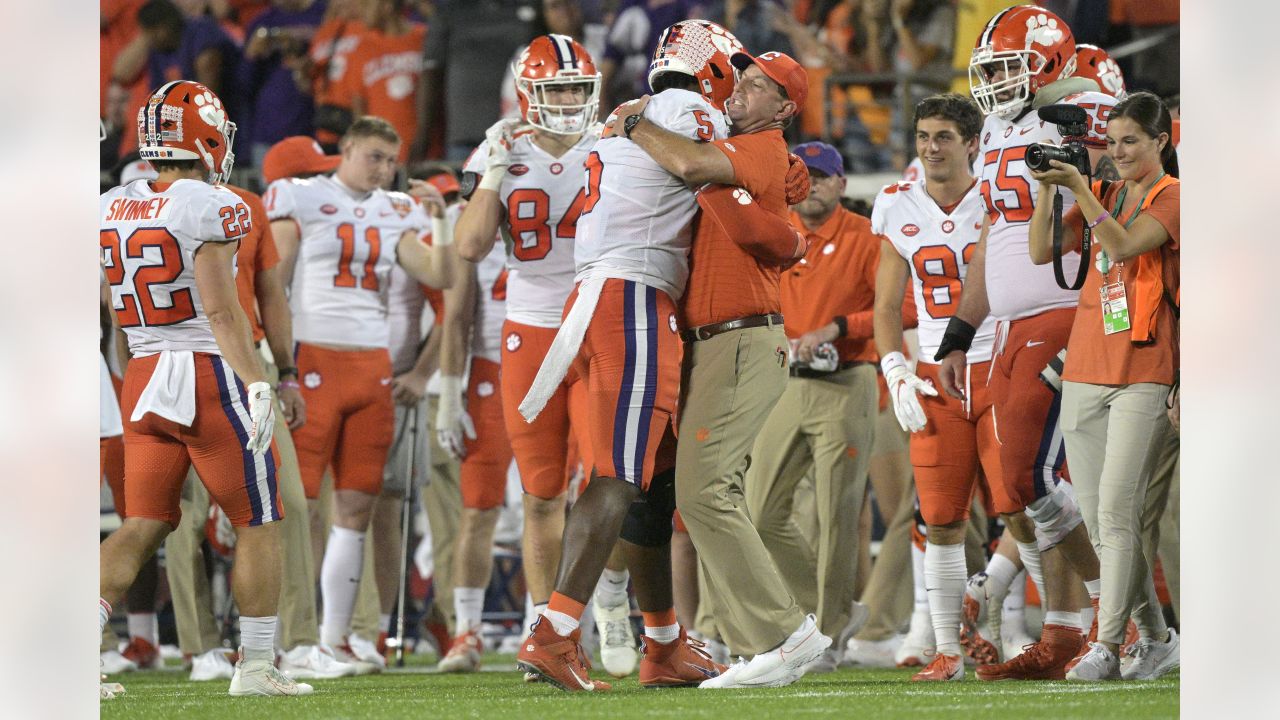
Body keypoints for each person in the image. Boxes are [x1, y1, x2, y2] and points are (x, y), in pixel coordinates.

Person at [512, 19, 787, 692]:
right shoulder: (685, 112)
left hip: (607, 290)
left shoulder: (643, 113)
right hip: (633, 297)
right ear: (714, 68)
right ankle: (555, 633)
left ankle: (663, 643)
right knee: (617, 475)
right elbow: (701, 167)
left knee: (647, 479)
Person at [612, 46, 834, 687]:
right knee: (704, 493)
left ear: (785, 109)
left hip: (739, 338)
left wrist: (631, 121)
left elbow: (687, 161)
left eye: (759, 86)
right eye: (741, 80)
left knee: (706, 491)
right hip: (716, 341)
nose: (739, 91)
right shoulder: (758, 155)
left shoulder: (758, 150)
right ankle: (765, 637)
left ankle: (785, 636)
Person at [99, 79, 309, 697]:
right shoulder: (211, 204)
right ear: (208, 138)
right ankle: (258, 666)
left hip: (141, 372)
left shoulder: (112, 202)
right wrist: (256, 382)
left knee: (143, 522)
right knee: (259, 520)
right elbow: (222, 312)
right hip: (206, 370)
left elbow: (114, 308)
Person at [453, 34, 640, 679]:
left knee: (605, 479)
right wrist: (496, 171)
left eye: (575, 88)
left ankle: (610, 603)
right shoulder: (501, 150)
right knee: (540, 493)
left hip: (600, 322)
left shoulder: (615, 147)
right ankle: (548, 631)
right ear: (529, 92)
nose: (565, 99)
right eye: (555, 88)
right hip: (530, 329)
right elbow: (471, 246)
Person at [936, 4, 1113, 681]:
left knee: (1034, 482)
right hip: (1009, 325)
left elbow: (1123, 182)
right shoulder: (994, 135)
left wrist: (1084, 135)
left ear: (1048, 60)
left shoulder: (1083, 108)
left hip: (1066, 311)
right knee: (1026, 491)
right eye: (988, 69)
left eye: (1009, 65)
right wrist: (959, 332)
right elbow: (992, 245)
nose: (996, 82)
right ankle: (1069, 632)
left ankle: (1111, 618)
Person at [265, 115, 458, 671]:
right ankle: (284, 640)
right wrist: (281, 366)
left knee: (357, 505)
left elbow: (441, 275)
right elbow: (273, 283)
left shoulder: (397, 208)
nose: (383, 169)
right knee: (296, 505)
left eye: (391, 160)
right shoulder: (299, 196)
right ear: (346, 149)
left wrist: (441, 224)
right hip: (316, 354)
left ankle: (332, 639)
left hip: (371, 363)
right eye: (373, 156)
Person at [1026, 91, 1180, 681]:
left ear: (1162, 141)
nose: (1116, 154)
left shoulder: (1174, 197)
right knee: (1101, 522)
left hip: (1144, 367)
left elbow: (1119, 244)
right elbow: (1043, 250)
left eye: (1130, 142)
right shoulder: (1108, 192)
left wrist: (1083, 188)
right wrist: (1048, 187)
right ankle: (1159, 637)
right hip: (1086, 368)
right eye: (1110, 142)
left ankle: (1108, 645)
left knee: (1117, 514)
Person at [872, 92, 1023, 681]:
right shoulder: (896, 203)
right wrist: (895, 369)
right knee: (940, 519)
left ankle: (1047, 625)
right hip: (937, 377)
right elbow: (885, 307)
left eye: (944, 137)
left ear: (971, 143)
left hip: (1000, 363)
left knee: (1024, 506)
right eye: (923, 136)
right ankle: (947, 650)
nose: (931, 148)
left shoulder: (994, 195)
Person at [743, 140, 885, 674]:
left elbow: (898, 307)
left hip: (845, 382)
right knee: (760, 511)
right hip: (784, 385)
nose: (815, 185)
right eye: (805, 175)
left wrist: (841, 328)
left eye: (824, 176)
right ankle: (827, 613)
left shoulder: (866, 237)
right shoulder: (776, 234)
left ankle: (827, 634)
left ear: (842, 184)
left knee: (836, 514)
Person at [434, 192, 512, 673]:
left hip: (558, 368)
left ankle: (554, 626)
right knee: (478, 507)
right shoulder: (475, 234)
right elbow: (457, 318)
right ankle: (467, 630)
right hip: (492, 373)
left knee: (559, 501)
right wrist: (448, 395)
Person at [341, 0, 428, 163]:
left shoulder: (424, 38)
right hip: (383, 158)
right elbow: (359, 108)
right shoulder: (362, 48)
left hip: (427, 151)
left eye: (367, 5)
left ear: (387, 6)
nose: (361, 11)